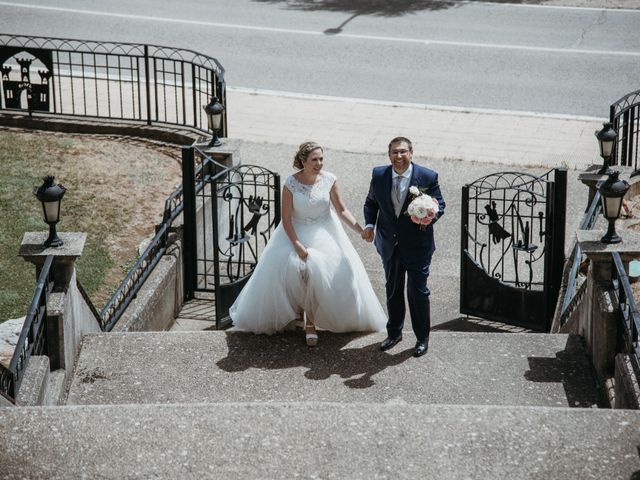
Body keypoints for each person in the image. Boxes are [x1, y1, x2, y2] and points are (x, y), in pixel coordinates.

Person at [230, 141, 387, 345]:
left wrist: (361, 230)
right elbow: (286, 218)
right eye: (314, 159)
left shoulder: (330, 180)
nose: (319, 163)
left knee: (320, 270)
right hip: (295, 232)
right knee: (294, 268)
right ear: (303, 161)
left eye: (321, 159)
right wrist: (297, 245)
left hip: (325, 231)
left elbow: (341, 211)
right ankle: (296, 314)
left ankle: (310, 322)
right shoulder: (290, 183)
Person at [362, 137, 445, 357]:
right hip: (389, 244)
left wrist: (427, 216)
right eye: (394, 153)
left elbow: (440, 205)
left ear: (411, 152)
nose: (399, 157)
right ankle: (394, 333)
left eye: (403, 152)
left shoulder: (427, 176)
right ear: (389, 154)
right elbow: (371, 203)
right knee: (393, 289)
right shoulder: (379, 175)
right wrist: (369, 224)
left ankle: (421, 339)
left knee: (418, 292)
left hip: (418, 245)